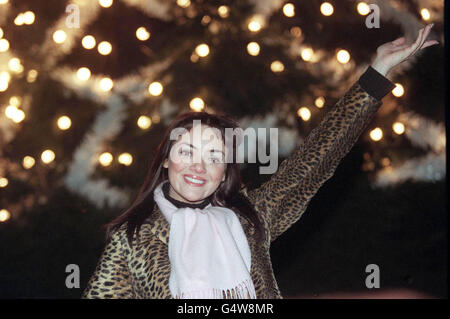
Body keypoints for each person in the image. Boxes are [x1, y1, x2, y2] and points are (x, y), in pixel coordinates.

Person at [82, 24, 438, 299]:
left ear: (224, 172)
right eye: (186, 151)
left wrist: (377, 73)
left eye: (214, 156)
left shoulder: (253, 217)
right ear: (165, 161)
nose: (198, 167)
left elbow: (318, 156)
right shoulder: (130, 238)